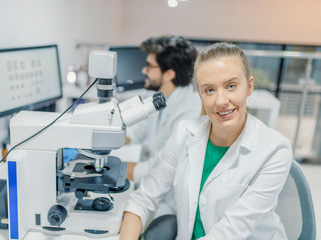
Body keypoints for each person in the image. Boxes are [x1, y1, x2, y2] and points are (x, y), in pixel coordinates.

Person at [120, 42, 293, 240]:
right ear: (200, 95)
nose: (221, 101)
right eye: (209, 90)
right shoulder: (185, 132)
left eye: (231, 86)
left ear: (249, 86)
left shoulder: (275, 150)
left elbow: (229, 233)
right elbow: (143, 198)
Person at [125, 35, 200, 237]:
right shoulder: (158, 98)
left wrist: (114, 168)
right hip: (153, 189)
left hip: (171, 201)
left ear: (169, 74)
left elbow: (159, 168)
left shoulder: (190, 113)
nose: (144, 71)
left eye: (149, 66)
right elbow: (134, 131)